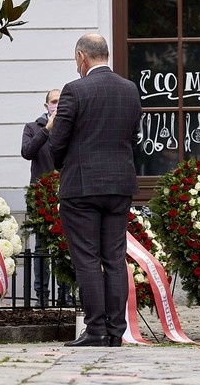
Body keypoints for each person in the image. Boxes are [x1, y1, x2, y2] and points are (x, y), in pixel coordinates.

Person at [49, 34, 142, 347]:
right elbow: (134, 138)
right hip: (119, 185)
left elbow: (56, 143)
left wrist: (65, 164)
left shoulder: (75, 90)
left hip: (82, 186)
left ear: (81, 57)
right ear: (106, 54)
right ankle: (117, 331)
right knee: (115, 258)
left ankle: (96, 330)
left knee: (87, 259)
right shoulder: (130, 89)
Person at [21, 89, 73, 307]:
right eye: (54, 101)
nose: (57, 105)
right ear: (46, 106)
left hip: (67, 193)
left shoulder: (71, 126)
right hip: (41, 195)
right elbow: (27, 152)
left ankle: (65, 294)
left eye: (61, 101)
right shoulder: (33, 128)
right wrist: (47, 129)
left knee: (66, 245)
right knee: (42, 248)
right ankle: (41, 296)